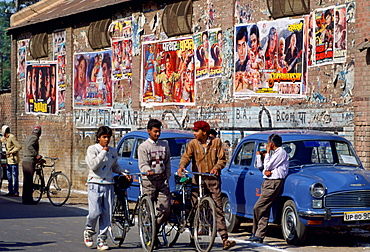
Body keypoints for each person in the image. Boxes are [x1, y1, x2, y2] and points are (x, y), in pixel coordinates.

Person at [178, 121, 236, 250]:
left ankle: (224, 239)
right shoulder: (192, 144)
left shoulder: (216, 142)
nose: (194, 133)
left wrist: (216, 168)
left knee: (218, 209)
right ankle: (193, 237)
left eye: (196, 131)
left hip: (213, 180)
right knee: (194, 207)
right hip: (197, 179)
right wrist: (182, 166)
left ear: (204, 132)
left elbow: (222, 159)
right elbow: (186, 157)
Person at [84, 126, 128, 251]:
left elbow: (114, 167)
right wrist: (103, 152)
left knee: (107, 213)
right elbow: (93, 165)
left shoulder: (113, 152)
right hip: (95, 184)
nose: (106, 140)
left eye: (108, 137)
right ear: (99, 138)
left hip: (109, 184)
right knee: (94, 212)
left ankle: (102, 239)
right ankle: (89, 230)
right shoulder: (92, 149)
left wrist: (124, 172)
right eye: (104, 137)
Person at [248, 134, 289, 243]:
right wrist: (261, 157)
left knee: (258, 207)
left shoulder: (280, 152)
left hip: (274, 182)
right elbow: (262, 167)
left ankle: (255, 230)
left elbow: (268, 166)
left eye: (268, 143)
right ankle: (259, 235)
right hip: (268, 182)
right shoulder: (274, 154)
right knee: (264, 209)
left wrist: (267, 155)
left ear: (271, 143)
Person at [138, 119, 171, 249]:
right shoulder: (143, 147)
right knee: (148, 211)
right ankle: (149, 235)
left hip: (162, 181)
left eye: (159, 131)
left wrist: (167, 176)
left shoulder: (164, 145)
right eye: (155, 131)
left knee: (165, 209)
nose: (157, 134)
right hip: (149, 182)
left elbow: (167, 162)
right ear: (149, 131)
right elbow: (142, 164)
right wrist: (148, 171)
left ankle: (153, 232)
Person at [22, 125, 42, 205]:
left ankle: (25, 198)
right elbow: (30, 146)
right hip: (29, 161)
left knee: (26, 181)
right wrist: (36, 154)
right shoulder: (35, 138)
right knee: (29, 181)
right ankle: (28, 199)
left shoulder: (28, 137)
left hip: (25, 160)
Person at [1, 125, 22, 197]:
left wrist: (11, 152)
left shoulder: (12, 137)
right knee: (9, 176)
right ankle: (10, 190)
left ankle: (16, 191)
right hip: (8, 160)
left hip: (13, 160)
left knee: (15, 176)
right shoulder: (5, 138)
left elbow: (19, 146)